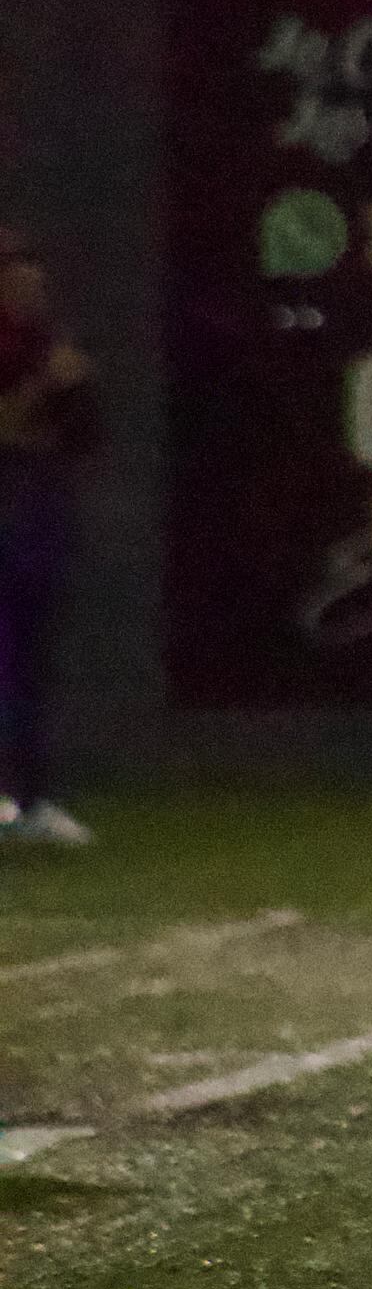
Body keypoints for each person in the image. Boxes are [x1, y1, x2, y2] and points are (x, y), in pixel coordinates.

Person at [0, 232, 104, 846]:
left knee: (30, 660)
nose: (27, 287)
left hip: (37, 507)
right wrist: (44, 386)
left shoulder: (46, 340)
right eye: (16, 275)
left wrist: (69, 388)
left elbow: (87, 436)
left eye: (33, 276)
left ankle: (32, 799)